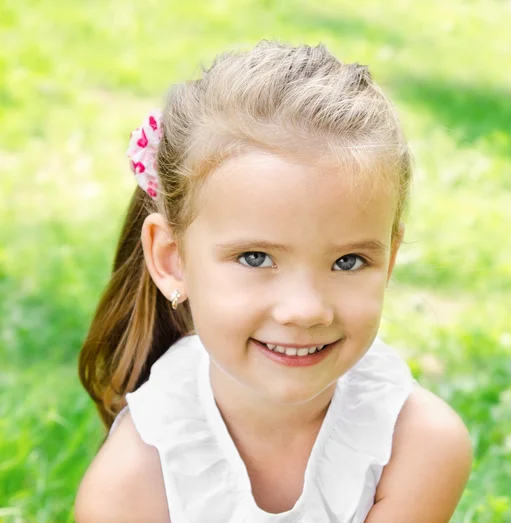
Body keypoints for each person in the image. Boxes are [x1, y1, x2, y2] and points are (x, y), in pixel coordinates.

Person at [74, 40, 472, 523]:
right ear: (172, 258)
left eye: (348, 261)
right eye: (256, 257)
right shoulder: (131, 484)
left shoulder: (418, 445)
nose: (306, 309)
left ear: (387, 259)